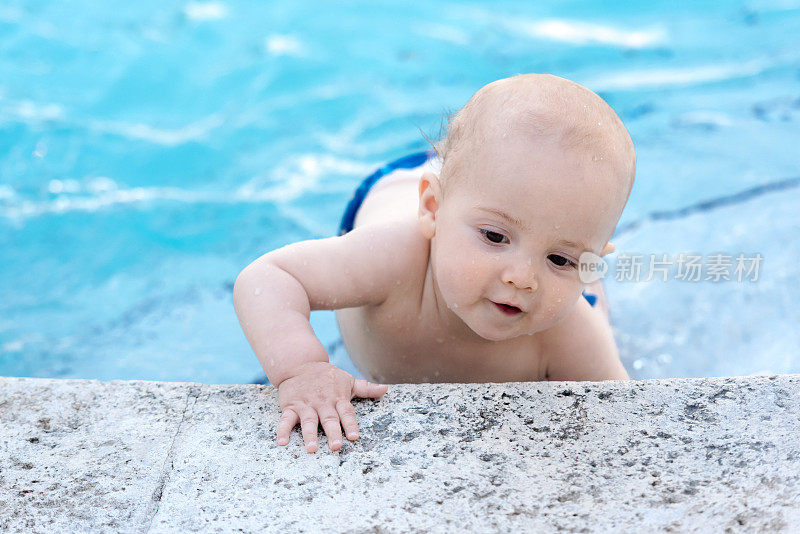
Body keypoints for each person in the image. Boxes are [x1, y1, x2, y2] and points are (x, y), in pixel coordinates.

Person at [233, 73, 636, 454]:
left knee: (587, 310)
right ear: (433, 209)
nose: (523, 278)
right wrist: (301, 369)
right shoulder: (393, 260)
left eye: (559, 258)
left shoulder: (569, 335)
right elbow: (269, 276)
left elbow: (626, 424)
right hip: (399, 191)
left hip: (483, 200)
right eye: (495, 238)